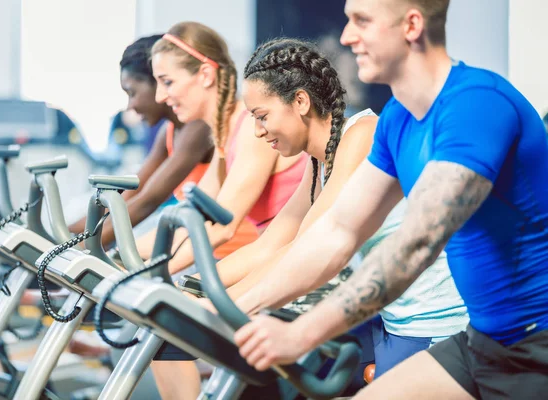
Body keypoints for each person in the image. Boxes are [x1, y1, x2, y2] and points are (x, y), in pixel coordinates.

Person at [234, 1, 548, 399]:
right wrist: (235, 308)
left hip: (536, 345)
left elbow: (417, 242)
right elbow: (338, 232)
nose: (347, 36)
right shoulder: (398, 118)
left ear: (412, 25)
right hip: (482, 341)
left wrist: (301, 334)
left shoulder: (476, 105)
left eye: (361, 21)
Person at [134, 22, 308, 400]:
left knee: (165, 322)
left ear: (207, 74)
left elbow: (220, 227)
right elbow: (189, 219)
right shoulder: (225, 134)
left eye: (168, 82)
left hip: (291, 272)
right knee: (160, 318)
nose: (162, 96)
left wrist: (148, 272)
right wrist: (124, 260)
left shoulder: (252, 127)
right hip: (270, 263)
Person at [68, 35, 214, 248]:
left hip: (208, 248)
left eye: (132, 93)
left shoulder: (199, 126)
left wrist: (80, 248)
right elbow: (131, 193)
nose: (130, 106)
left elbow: (148, 201)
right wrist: (67, 233)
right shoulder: (169, 130)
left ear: (159, 83)